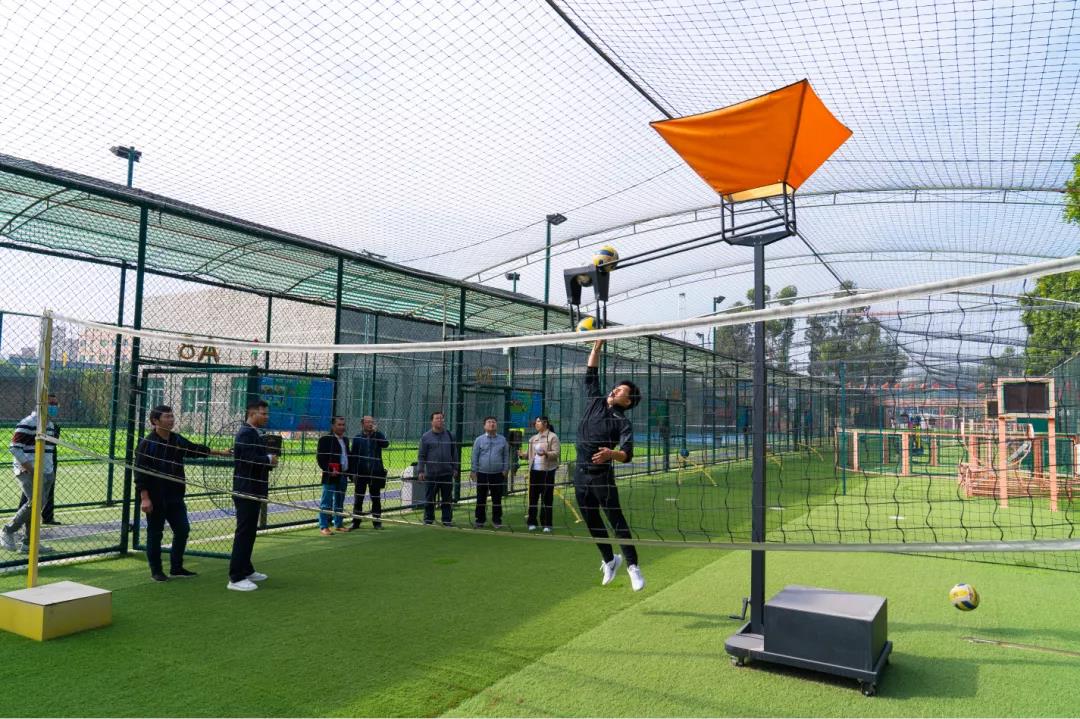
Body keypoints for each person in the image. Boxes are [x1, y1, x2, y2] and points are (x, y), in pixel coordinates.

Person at [574, 339, 645, 591]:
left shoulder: (622, 422)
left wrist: (611, 454)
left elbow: (627, 454)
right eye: (616, 387)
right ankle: (609, 560)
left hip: (601, 476)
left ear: (628, 402)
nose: (615, 390)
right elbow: (591, 373)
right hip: (579, 474)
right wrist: (596, 348)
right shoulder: (595, 401)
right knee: (592, 520)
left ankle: (633, 566)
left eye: (621, 391)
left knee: (616, 520)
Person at [134, 404, 232, 582]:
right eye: (167, 416)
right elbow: (140, 474)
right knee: (155, 533)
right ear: (155, 421)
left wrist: (221, 453)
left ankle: (176, 567)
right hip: (156, 497)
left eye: (172, 416)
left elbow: (195, 449)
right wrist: (145, 498)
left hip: (175, 496)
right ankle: (156, 571)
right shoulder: (147, 444)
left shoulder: (177, 439)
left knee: (182, 529)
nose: (171, 419)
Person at [228, 399, 277, 592]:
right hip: (246, 489)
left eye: (267, 413)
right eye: (263, 413)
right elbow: (248, 460)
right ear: (252, 413)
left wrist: (269, 461)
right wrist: (268, 459)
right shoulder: (245, 433)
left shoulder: (255, 433)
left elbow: (256, 460)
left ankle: (246, 569)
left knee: (249, 532)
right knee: (244, 532)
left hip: (255, 489)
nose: (266, 417)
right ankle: (235, 577)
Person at [2, 394, 61, 554]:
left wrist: (49, 472)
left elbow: (48, 451)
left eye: (55, 404)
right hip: (28, 471)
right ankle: (8, 530)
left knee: (37, 506)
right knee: (36, 502)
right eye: (50, 403)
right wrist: (31, 469)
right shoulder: (28, 423)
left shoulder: (50, 425)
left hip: (46, 472)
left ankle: (29, 543)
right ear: (40, 404)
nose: (54, 407)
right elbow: (15, 448)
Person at [417, 410, 458, 527]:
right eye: (437, 418)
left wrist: (455, 468)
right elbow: (421, 455)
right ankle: (428, 519)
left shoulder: (450, 435)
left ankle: (447, 520)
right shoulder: (425, 437)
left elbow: (454, 453)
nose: (440, 420)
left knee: (447, 499)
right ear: (432, 421)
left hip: (447, 473)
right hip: (431, 474)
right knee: (429, 499)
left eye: (441, 418)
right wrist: (421, 470)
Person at [350, 415, 389, 530]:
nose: (370, 424)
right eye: (368, 422)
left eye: (372, 422)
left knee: (376, 498)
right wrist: (353, 473)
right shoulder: (357, 438)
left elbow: (386, 444)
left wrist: (377, 433)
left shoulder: (377, 436)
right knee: (358, 499)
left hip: (375, 473)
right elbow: (353, 457)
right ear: (362, 424)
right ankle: (356, 522)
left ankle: (377, 522)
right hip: (361, 473)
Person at [315, 417, 352, 536]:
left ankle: (339, 524)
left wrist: (350, 473)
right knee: (326, 501)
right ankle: (324, 526)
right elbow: (320, 458)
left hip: (343, 475)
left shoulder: (345, 440)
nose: (342, 427)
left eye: (343, 424)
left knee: (340, 501)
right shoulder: (325, 439)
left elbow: (347, 456)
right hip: (331, 475)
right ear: (333, 426)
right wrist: (329, 470)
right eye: (339, 424)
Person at [523, 415, 560, 533]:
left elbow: (556, 453)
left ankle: (547, 524)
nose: (536, 423)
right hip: (534, 472)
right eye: (536, 422)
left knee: (547, 499)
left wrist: (546, 453)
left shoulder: (553, 437)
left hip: (547, 472)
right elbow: (529, 455)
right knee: (533, 498)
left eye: (538, 421)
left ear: (545, 423)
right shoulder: (533, 438)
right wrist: (522, 455)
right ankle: (532, 522)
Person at [471, 416, 509, 528]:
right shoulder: (479, 440)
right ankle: (480, 520)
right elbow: (474, 456)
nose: (492, 424)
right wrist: (473, 470)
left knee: (497, 499)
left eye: (494, 422)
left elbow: (506, 456)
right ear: (484, 426)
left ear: (496, 425)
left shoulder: (502, 440)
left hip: (497, 474)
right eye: (489, 422)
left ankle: (497, 520)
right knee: (481, 498)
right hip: (482, 474)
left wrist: (505, 469)